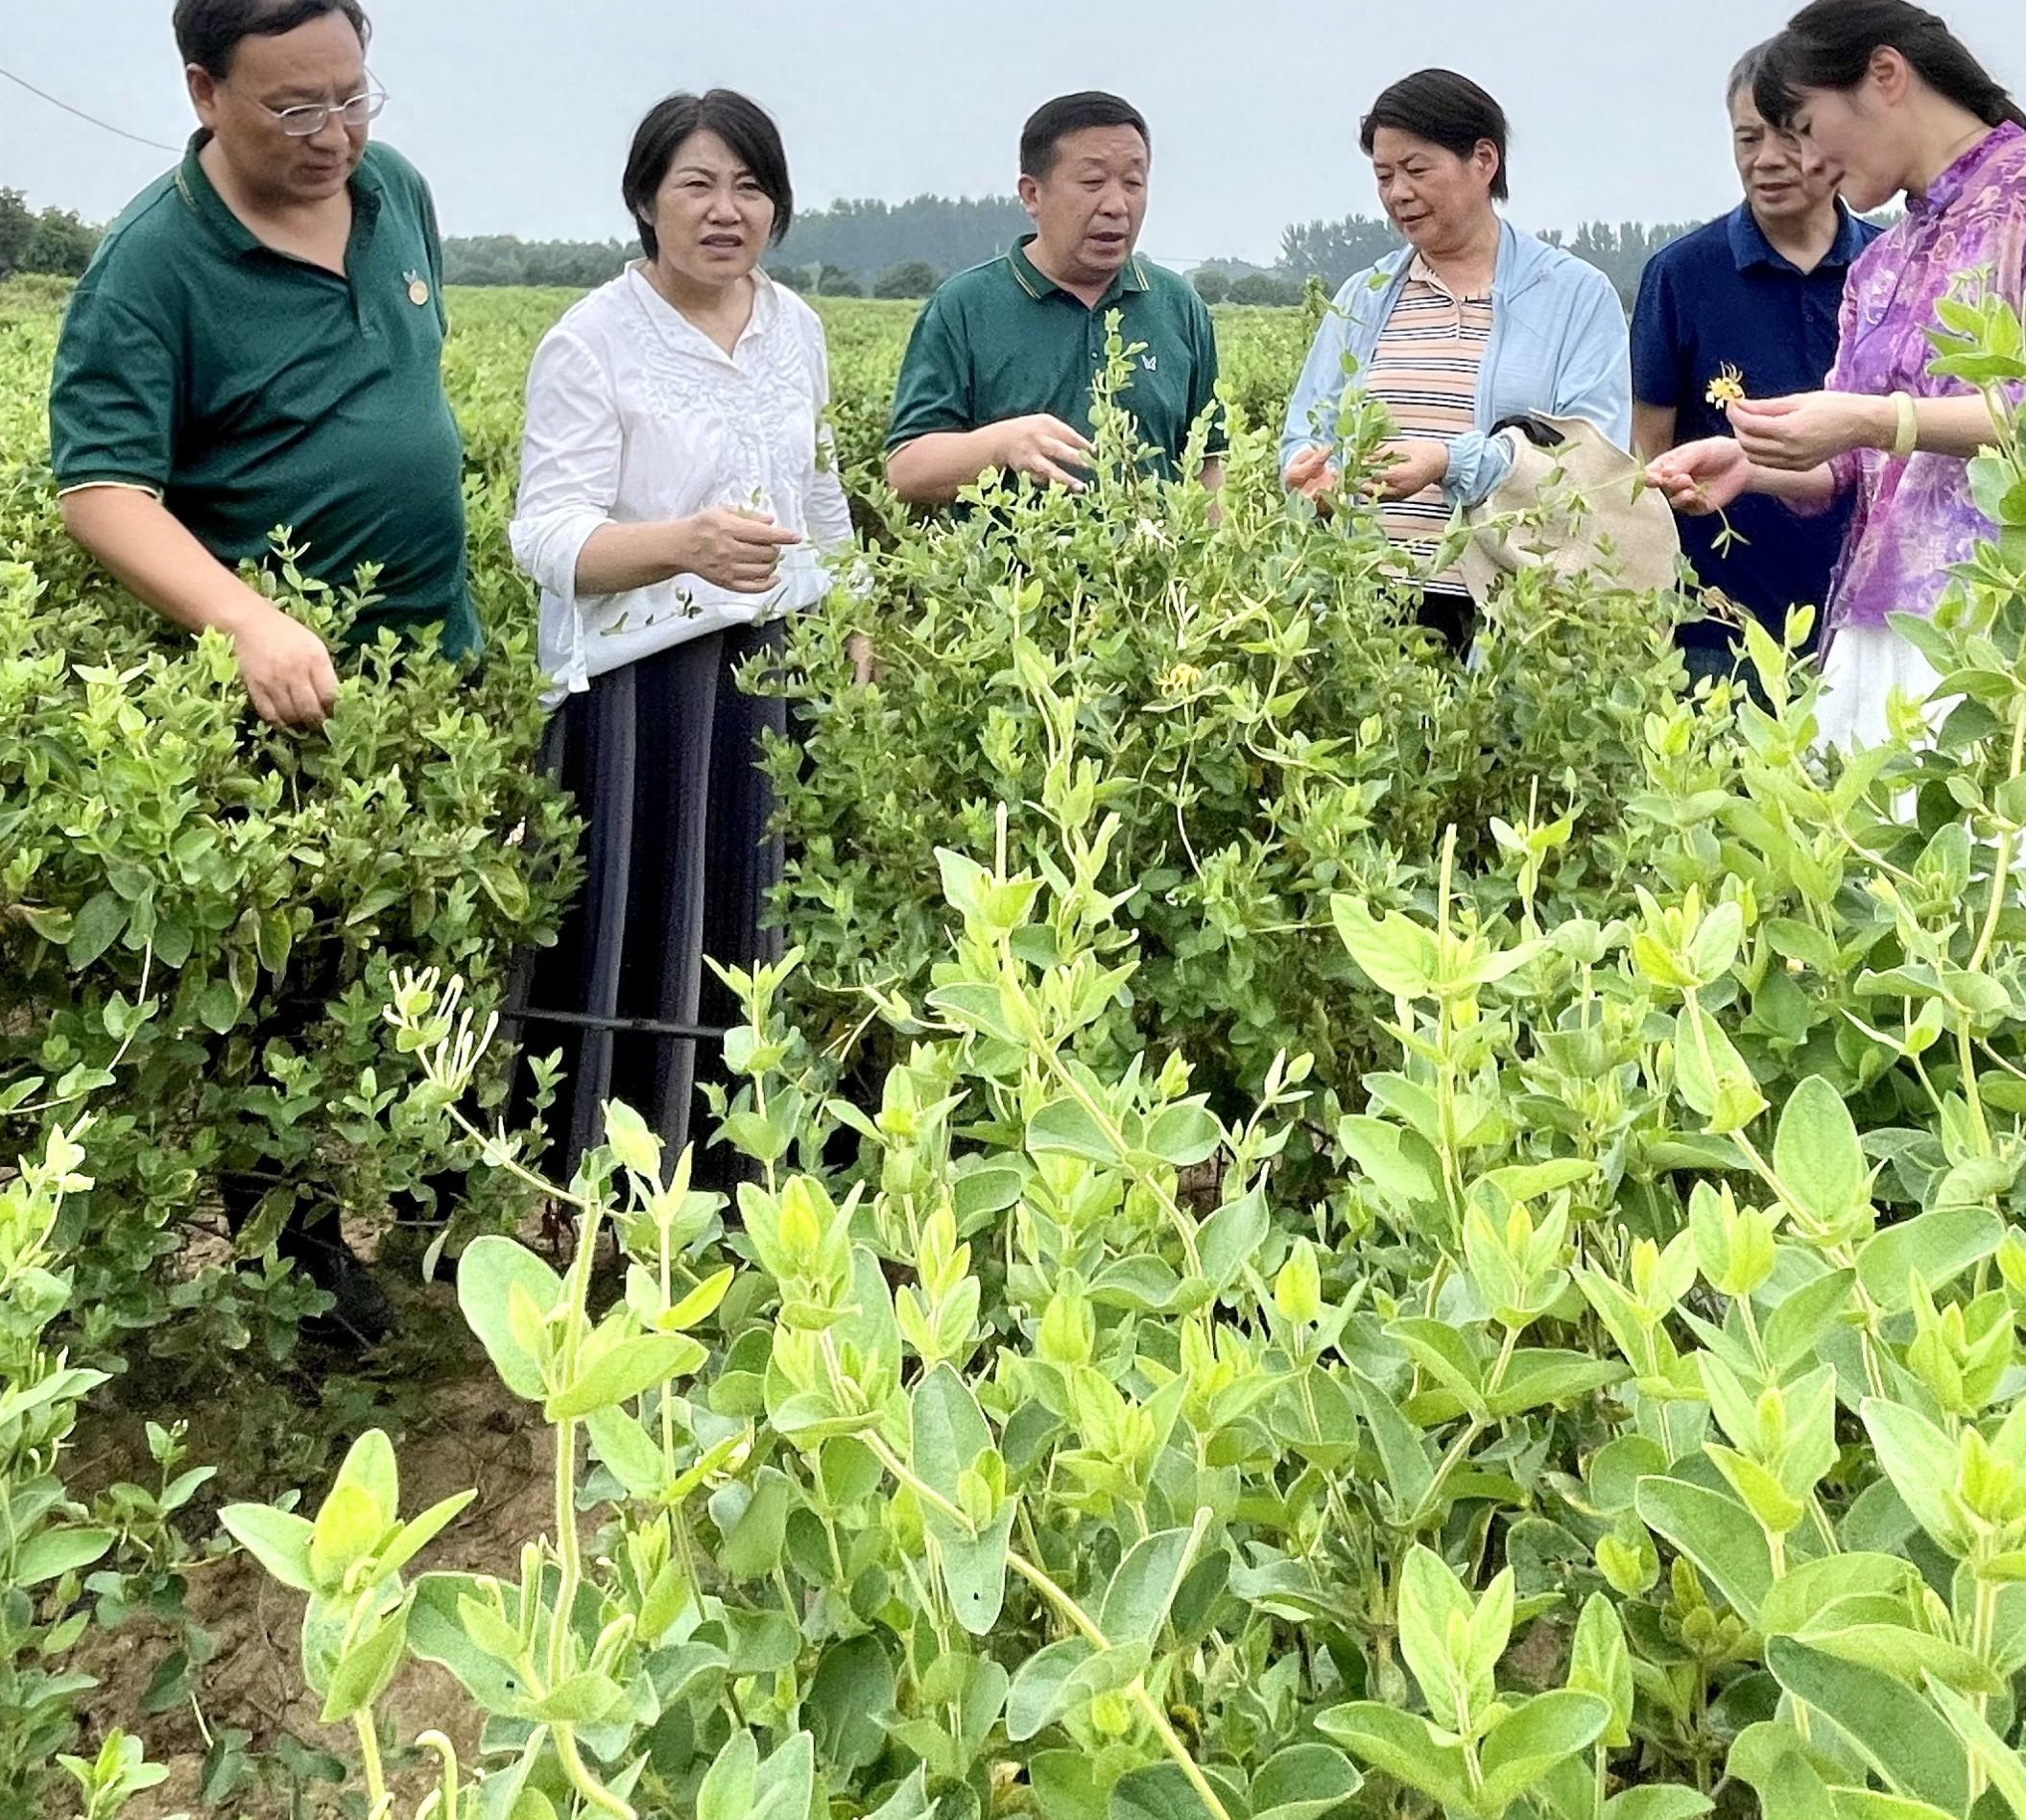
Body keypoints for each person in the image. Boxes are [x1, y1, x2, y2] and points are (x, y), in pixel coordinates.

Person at [1644, 0, 2026, 850]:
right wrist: (1754, 462)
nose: (1808, 161)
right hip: (1890, 632)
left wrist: (1869, 418)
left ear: (1885, 75)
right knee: (1893, 923)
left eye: (1810, 128)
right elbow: (1862, 473)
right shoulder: (1884, 259)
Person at [505, 92, 853, 1169]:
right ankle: (603, 1181)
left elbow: (827, 496)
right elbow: (546, 534)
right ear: (646, 199)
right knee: (638, 924)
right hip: (638, 689)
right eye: (697, 184)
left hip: (774, 672)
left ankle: (745, 1175)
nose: (725, 210)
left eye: (750, 187)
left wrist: (853, 619)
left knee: (757, 925)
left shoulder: (797, 327)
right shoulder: (593, 341)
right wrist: (682, 545)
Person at [47, 0, 477, 728]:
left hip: (442, 666)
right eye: (297, 110)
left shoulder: (395, 188)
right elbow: (102, 491)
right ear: (205, 92)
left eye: (353, 99)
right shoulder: (149, 263)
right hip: (291, 690)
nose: (335, 137)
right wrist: (249, 623)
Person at [1277, 69, 1633, 647]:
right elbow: (1306, 433)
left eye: (1417, 170)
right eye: (1383, 176)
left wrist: (1448, 462)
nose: (1397, 193)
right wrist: (1311, 480)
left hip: (1516, 610)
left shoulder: (1573, 296)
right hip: (1366, 606)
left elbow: (1589, 459)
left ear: (1483, 161)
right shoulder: (1362, 299)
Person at [1627, 47, 1875, 674]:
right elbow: (1647, 453)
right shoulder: (1683, 276)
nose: (1766, 159)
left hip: (1869, 628)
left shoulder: (1891, 269)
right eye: (1748, 137)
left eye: (1791, 136)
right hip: (1717, 634)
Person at [883, 92, 1222, 507]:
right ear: (1032, 195)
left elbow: (1206, 466)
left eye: (1133, 183)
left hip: (1156, 569)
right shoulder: (965, 306)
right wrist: (1000, 445)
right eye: (1093, 182)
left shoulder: (1178, 307)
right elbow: (906, 471)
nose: (1117, 206)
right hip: (1013, 572)